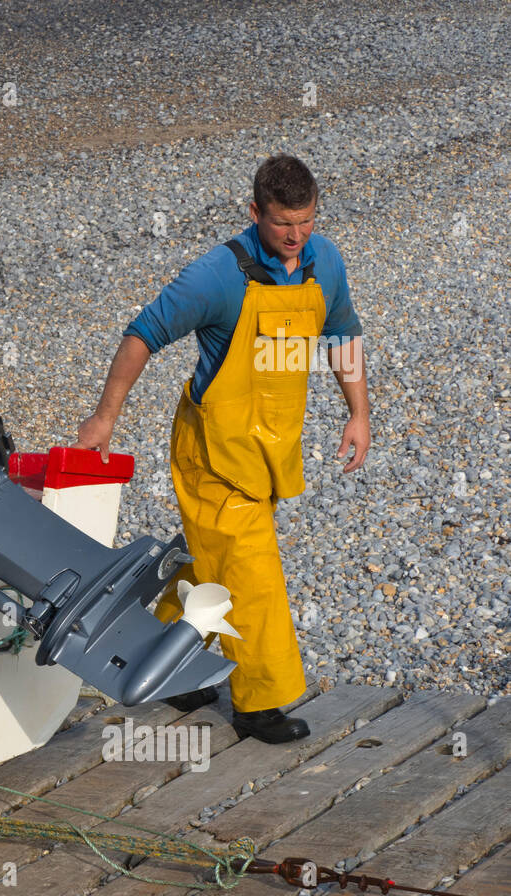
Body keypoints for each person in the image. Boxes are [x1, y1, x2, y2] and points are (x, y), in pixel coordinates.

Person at [75, 154, 370, 743]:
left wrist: (358, 412)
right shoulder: (217, 275)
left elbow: (342, 333)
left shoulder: (325, 262)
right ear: (255, 212)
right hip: (211, 454)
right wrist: (104, 419)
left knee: (212, 565)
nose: (295, 236)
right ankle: (260, 705)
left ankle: (166, 663)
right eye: (283, 223)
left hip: (268, 449)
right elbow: (142, 335)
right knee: (252, 576)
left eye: (307, 221)